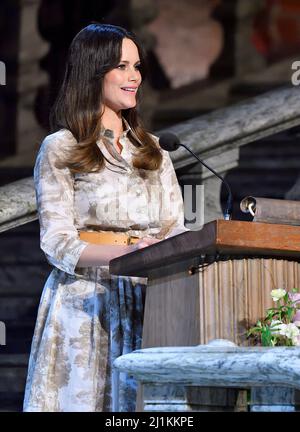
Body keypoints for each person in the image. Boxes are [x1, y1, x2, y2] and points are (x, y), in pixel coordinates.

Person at [23, 23, 186, 412]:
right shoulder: (61, 148)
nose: (135, 77)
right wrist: (126, 256)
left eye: (137, 66)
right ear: (94, 72)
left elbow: (175, 228)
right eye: (123, 66)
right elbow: (57, 241)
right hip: (85, 303)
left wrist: (167, 250)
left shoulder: (155, 152)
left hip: (149, 301)